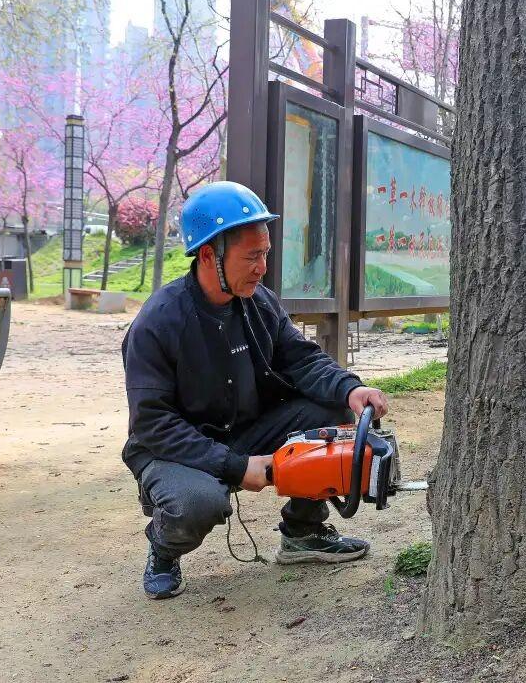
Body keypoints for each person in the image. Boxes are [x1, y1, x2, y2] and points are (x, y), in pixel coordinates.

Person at [121, 181, 388, 600]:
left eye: (264, 253)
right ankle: (163, 544)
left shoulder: (259, 300)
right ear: (208, 254)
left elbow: (301, 359)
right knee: (198, 504)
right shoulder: (157, 323)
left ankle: (303, 532)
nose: (263, 267)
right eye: (252, 256)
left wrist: (349, 388)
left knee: (329, 413)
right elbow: (153, 423)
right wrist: (235, 465)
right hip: (175, 448)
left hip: (244, 429)